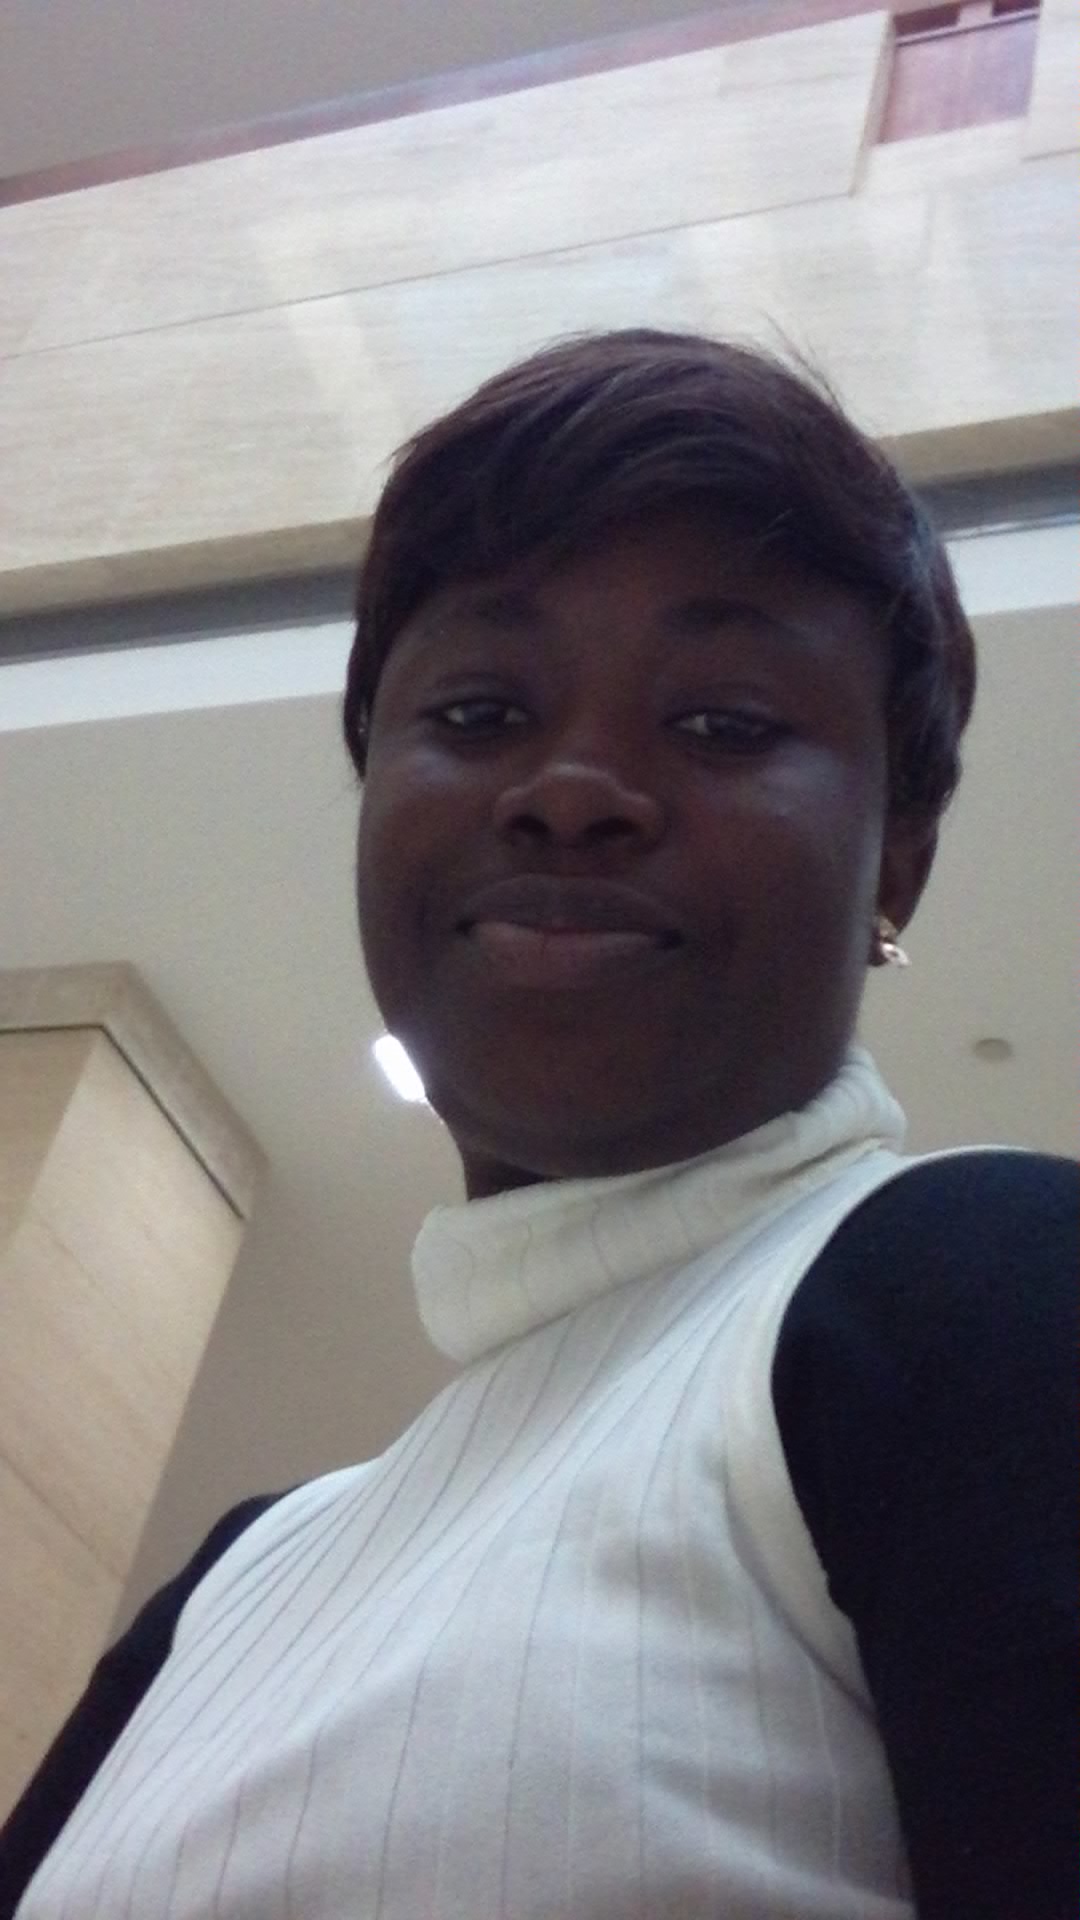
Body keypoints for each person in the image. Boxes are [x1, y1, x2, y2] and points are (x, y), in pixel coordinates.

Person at [1, 330, 1074, 1920]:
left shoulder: (987, 1288)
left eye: (721, 725)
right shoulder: (238, 1577)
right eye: (482, 709)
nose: (570, 788)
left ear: (894, 864)